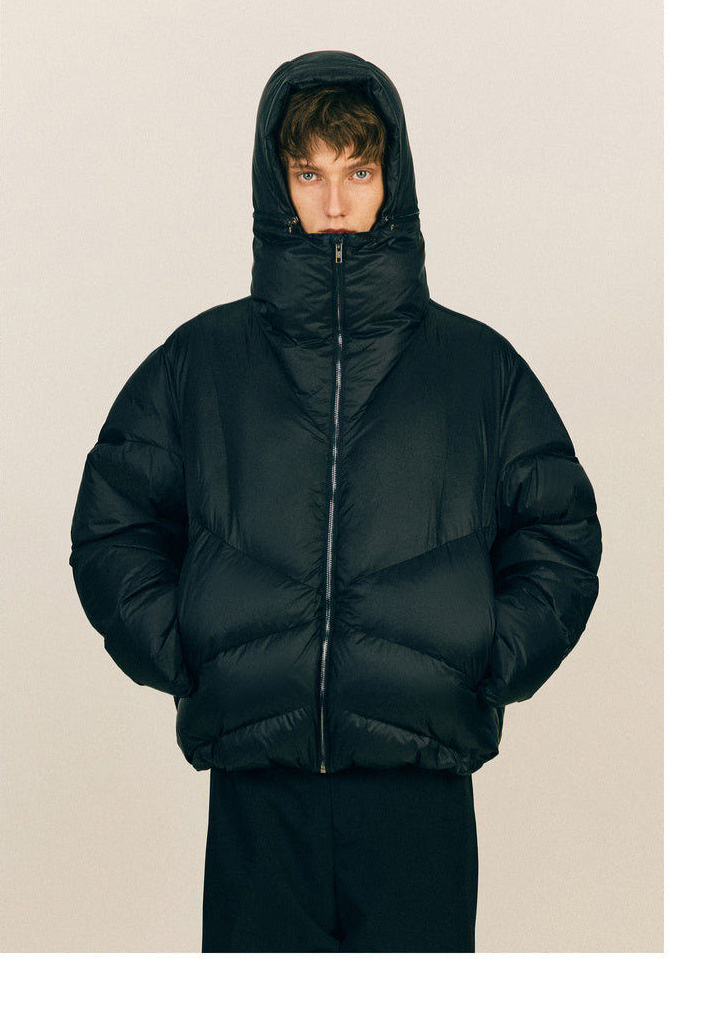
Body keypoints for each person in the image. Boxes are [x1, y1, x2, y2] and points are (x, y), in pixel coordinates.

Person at [70, 50, 602, 953]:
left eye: (357, 172)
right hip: (259, 788)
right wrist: (192, 647)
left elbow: (560, 534)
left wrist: (484, 655)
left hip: (419, 786)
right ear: (277, 185)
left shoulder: (477, 370)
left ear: (392, 182)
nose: (333, 202)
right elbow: (113, 522)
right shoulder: (203, 362)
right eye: (308, 173)